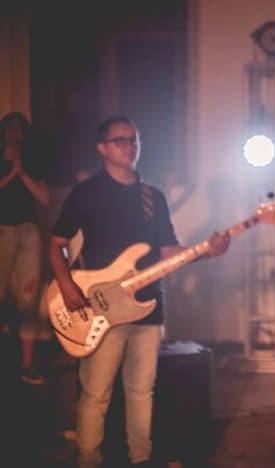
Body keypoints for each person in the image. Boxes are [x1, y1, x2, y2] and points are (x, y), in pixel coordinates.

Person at [47, 116, 230, 468]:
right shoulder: (87, 193)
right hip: (97, 306)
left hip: (147, 307)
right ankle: (88, 459)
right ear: (102, 148)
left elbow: (167, 252)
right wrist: (68, 287)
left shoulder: (152, 196)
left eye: (134, 140)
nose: (130, 146)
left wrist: (206, 251)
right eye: (121, 141)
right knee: (96, 395)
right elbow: (56, 245)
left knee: (141, 392)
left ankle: (140, 459)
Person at [0, 112, 49, 385]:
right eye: (11, 128)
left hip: (29, 231)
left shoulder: (33, 161)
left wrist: (23, 173)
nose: (15, 133)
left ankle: (27, 363)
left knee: (29, 296)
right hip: (2, 230)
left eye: (20, 129)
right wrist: (10, 174)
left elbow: (44, 197)